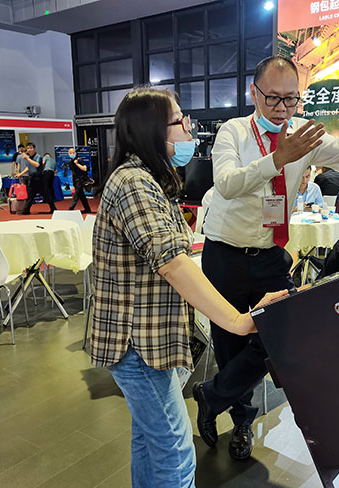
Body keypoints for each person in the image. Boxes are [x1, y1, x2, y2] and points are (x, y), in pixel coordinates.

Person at [193, 55, 339, 461]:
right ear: (254, 93)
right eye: (273, 98)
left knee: (286, 334)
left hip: (270, 256)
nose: (282, 108)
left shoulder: (302, 134)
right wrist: (277, 160)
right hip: (225, 255)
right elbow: (226, 184)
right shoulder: (233, 131)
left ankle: (211, 395)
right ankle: (243, 420)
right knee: (230, 343)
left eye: (291, 99)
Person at [91, 87, 285, 488]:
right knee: (176, 455)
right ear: (153, 130)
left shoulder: (148, 179)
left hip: (147, 340)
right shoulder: (133, 183)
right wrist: (238, 320)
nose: (189, 128)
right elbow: (172, 263)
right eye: (180, 120)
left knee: (149, 442)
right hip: (136, 344)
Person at [20, 142, 56, 215]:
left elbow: (37, 165)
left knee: (46, 194)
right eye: (28, 148)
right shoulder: (29, 157)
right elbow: (28, 168)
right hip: (32, 178)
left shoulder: (38, 157)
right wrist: (20, 174)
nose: (29, 150)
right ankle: (26, 210)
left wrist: (27, 158)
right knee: (30, 195)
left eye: (31, 148)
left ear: (34, 149)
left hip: (39, 179)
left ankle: (53, 209)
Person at [68, 148, 92, 213]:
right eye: (70, 153)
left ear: (76, 153)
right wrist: (73, 182)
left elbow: (85, 169)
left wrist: (77, 164)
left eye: (73, 153)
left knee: (76, 195)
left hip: (81, 179)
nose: (72, 154)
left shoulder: (79, 160)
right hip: (75, 180)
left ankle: (70, 209)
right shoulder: (70, 162)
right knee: (81, 195)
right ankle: (87, 209)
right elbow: (72, 172)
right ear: (68, 154)